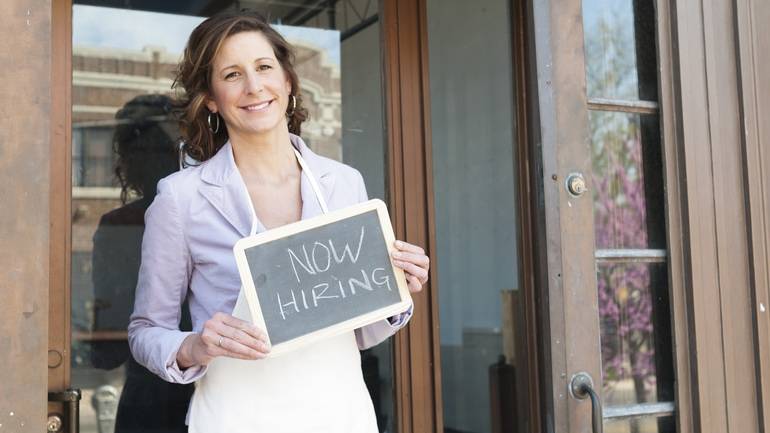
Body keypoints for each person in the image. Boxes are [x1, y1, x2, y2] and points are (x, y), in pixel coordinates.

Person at [128, 10, 430, 433]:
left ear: (288, 81)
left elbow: (362, 331)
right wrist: (194, 346)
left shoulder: (343, 183)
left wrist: (397, 289)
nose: (254, 87)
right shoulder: (182, 198)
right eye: (232, 74)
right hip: (235, 419)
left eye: (264, 67)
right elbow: (145, 331)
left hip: (341, 416)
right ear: (211, 97)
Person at [92, 94, 193, 433]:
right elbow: (105, 350)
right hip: (180, 396)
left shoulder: (121, 224)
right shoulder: (213, 213)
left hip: (159, 399)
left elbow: (105, 351)